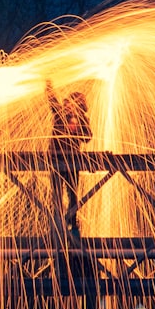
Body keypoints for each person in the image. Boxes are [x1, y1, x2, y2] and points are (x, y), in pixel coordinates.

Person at [45, 80, 91, 238]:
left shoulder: (82, 118)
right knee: (57, 194)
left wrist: (78, 126)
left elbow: (88, 137)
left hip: (73, 161)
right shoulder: (59, 112)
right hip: (57, 160)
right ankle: (58, 223)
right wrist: (48, 85)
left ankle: (73, 222)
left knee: (72, 194)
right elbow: (52, 101)